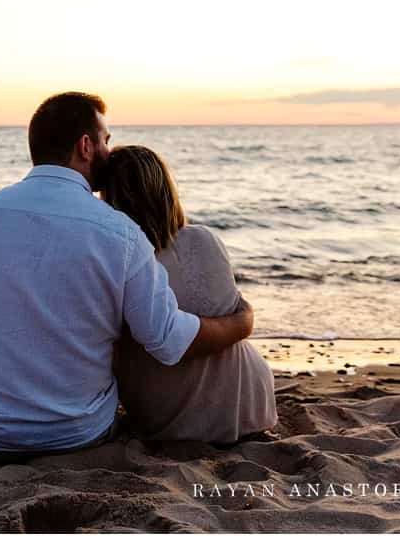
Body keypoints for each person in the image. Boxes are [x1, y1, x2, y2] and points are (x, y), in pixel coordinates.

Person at [0, 92, 255, 463]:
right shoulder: (123, 234)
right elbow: (165, 339)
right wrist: (240, 324)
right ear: (86, 145)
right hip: (78, 433)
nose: (109, 152)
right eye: (106, 140)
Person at [101, 145, 278, 444]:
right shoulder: (204, 239)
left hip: (173, 421)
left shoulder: (117, 260)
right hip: (251, 405)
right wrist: (245, 318)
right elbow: (232, 312)